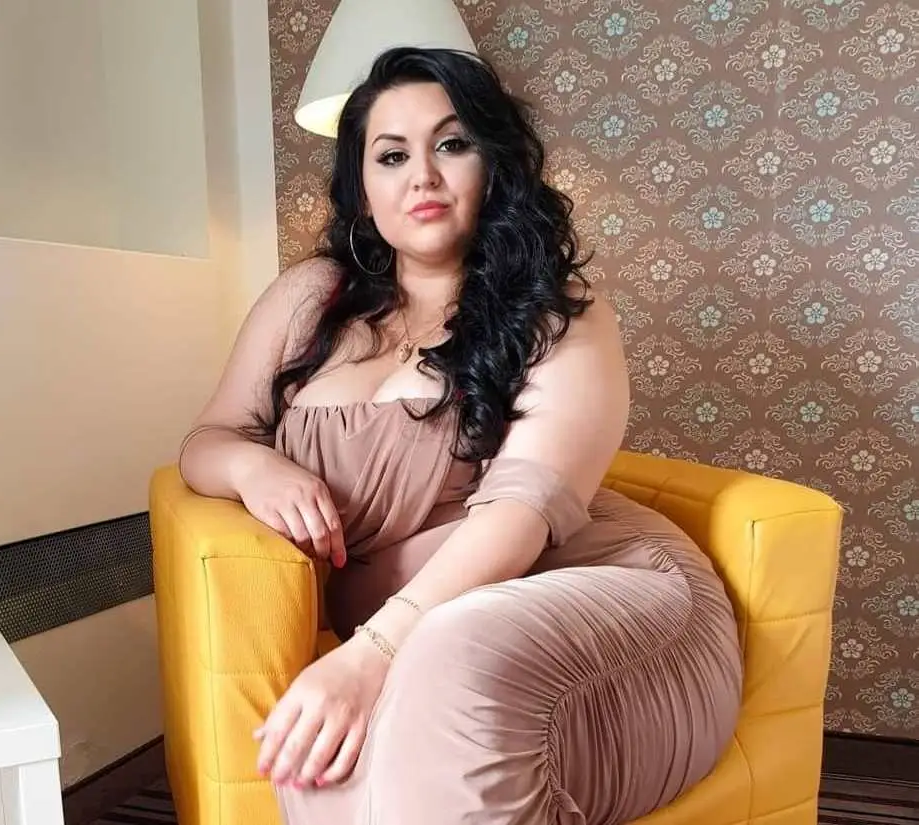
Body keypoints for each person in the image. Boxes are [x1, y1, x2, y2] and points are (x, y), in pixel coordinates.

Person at [179, 47, 742, 825]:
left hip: (601, 596)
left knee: (450, 649)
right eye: (391, 155)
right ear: (361, 187)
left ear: (494, 165)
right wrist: (253, 467)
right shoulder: (309, 299)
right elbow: (208, 438)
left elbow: (518, 515)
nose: (422, 176)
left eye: (451, 144)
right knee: (322, 763)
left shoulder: (557, 314)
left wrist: (370, 652)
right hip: (417, 630)